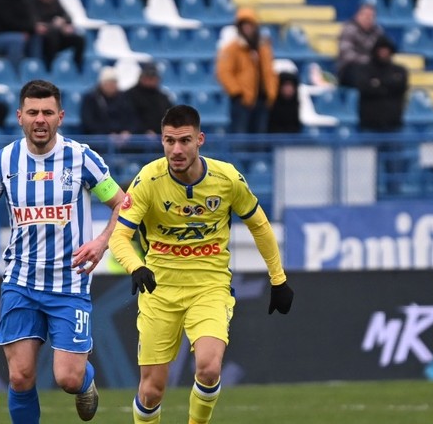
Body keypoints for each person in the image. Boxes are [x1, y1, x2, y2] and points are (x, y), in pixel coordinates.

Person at [0, 79, 125, 423]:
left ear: (60, 116)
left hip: (69, 283)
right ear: (19, 116)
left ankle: (85, 381)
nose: (40, 119)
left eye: (47, 112)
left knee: (68, 378)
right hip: (21, 281)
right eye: (32, 112)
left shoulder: (82, 158)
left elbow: (124, 204)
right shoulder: (5, 160)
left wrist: (101, 241)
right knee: (20, 376)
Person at [108, 104, 294, 424]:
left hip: (209, 287)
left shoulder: (227, 179)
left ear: (200, 140)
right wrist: (135, 266)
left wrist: (278, 279)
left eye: (184, 141)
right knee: (151, 391)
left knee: (208, 369)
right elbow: (119, 237)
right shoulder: (148, 180)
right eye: (169, 141)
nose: (176, 150)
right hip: (159, 290)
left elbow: (260, 226)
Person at [216, 7, 278, 134]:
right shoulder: (232, 48)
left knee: (260, 138)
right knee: (241, 138)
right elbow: (224, 71)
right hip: (242, 102)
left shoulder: (263, 48)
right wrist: (237, 92)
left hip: (262, 100)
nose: (247, 29)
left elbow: (270, 72)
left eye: (250, 25)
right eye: (244, 25)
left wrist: (271, 93)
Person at [80, 66, 138, 152]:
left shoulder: (124, 98)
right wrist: (107, 134)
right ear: (102, 83)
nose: (112, 86)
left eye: (114, 83)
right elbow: (88, 122)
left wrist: (127, 131)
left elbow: (133, 118)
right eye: (109, 83)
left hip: (122, 139)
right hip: (99, 138)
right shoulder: (91, 98)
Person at [356, 35, 407, 132]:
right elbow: (365, 88)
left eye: (386, 50)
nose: (384, 53)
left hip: (393, 124)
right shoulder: (364, 70)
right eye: (381, 50)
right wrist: (389, 85)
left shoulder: (399, 71)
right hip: (369, 125)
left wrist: (379, 83)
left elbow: (400, 87)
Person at [31, 0, 86, 72]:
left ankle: (77, 67)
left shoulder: (55, 2)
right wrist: (51, 25)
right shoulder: (32, 2)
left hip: (59, 34)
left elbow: (67, 17)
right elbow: (34, 22)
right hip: (44, 37)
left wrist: (63, 21)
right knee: (53, 33)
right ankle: (50, 67)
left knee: (79, 39)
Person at [336, 1, 384, 88]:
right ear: (358, 15)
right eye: (366, 15)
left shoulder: (378, 31)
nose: (368, 18)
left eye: (371, 16)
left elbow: (383, 51)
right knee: (361, 73)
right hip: (349, 68)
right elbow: (347, 54)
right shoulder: (349, 29)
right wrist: (367, 61)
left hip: (371, 67)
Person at [124, 62, 174, 135]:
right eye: (148, 77)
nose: (151, 80)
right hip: (135, 140)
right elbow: (128, 118)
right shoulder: (129, 95)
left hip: (158, 139)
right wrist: (144, 131)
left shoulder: (163, 98)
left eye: (153, 77)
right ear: (141, 78)